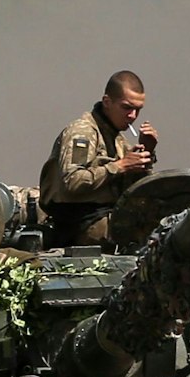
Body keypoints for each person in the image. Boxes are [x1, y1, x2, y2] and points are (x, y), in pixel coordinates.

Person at [37, 71, 159, 249]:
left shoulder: (118, 140)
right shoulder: (83, 133)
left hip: (106, 217)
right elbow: (73, 181)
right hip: (79, 223)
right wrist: (120, 166)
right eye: (126, 108)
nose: (133, 116)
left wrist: (146, 152)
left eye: (138, 110)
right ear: (107, 102)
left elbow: (136, 191)